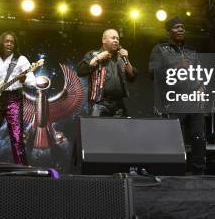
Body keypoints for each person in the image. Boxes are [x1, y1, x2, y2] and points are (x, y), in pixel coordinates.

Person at [149, 15, 206, 174]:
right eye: (177, 27)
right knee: (174, 137)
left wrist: (202, 87)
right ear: (169, 31)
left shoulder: (191, 51)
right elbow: (153, 73)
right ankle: (174, 173)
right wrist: (176, 69)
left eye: (183, 27)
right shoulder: (160, 49)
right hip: (174, 99)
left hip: (194, 100)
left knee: (198, 137)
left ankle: (199, 173)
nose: (181, 30)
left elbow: (201, 73)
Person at [0, 31, 36, 164]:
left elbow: (32, 82)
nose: (9, 44)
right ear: (1, 43)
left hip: (13, 99)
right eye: (7, 41)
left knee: (16, 138)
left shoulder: (21, 60)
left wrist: (23, 79)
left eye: (12, 42)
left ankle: (22, 170)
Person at [77, 29, 137, 117]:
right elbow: (80, 71)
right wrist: (98, 57)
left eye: (117, 39)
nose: (116, 41)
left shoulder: (121, 57)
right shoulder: (93, 54)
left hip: (118, 104)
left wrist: (126, 59)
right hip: (100, 103)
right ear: (104, 40)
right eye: (113, 38)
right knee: (98, 129)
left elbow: (132, 76)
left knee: (122, 129)